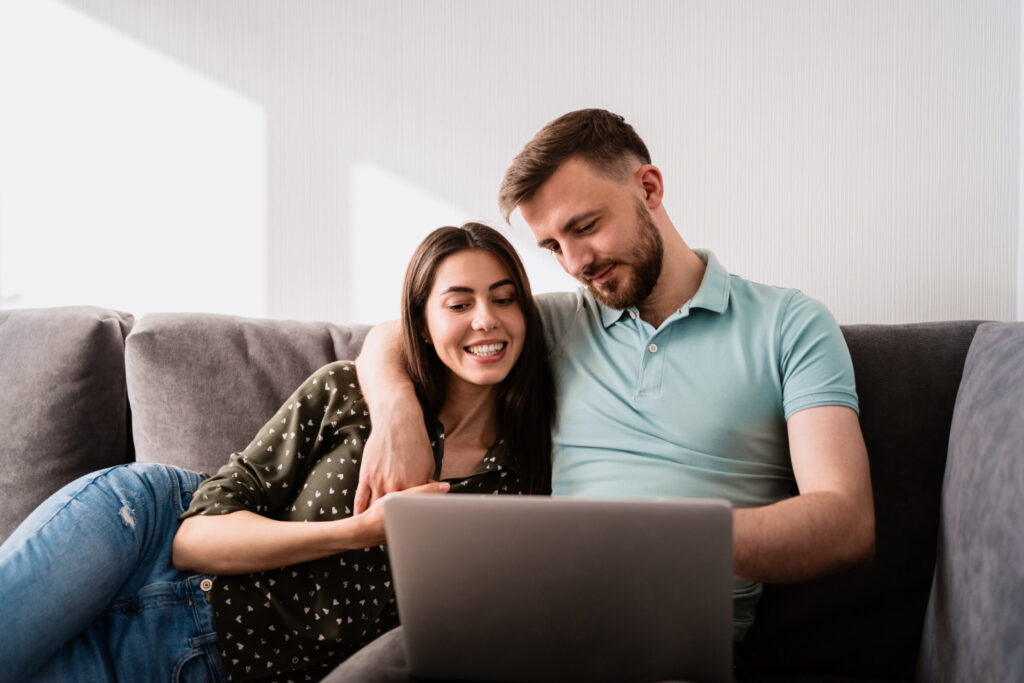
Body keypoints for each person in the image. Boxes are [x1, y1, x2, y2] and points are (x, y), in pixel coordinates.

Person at [338, 108, 875, 678]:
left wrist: (657, 541)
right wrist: (397, 414)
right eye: (551, 246)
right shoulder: (560, 324)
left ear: (649, 187)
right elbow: (396, 334)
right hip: (529, 625)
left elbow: (846, 522)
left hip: (672, 648)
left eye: (585, 227)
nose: (575, 264)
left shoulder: (790, 324)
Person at [0, 223, 554, 682]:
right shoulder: (350, 393)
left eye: (504, 299)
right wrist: (362, 530)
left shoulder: (521, 476)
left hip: (191, 663)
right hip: (139, 532)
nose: (486, 319)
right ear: (424, 327)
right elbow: (193, 540)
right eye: (459, 303)